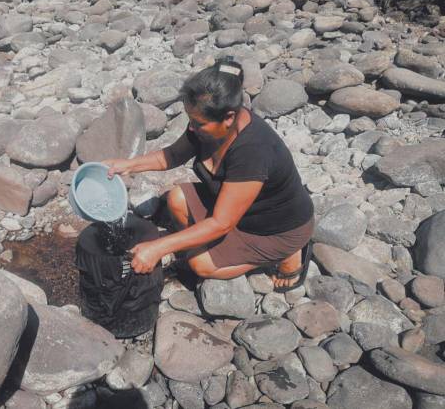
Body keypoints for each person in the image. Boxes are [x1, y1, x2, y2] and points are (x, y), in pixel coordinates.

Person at [103, 57, 315, 292]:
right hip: (237, 210)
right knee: (177, 198)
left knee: (199, 264)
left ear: (229, 117)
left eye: (198, 123)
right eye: (190, 120)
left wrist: (160, 247)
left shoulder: (253, 151)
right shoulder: (206, 124)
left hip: (276, 229)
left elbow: (222, 223)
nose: (191, 128)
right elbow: (172, 155)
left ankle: (287, 255)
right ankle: (207, 247)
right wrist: (128, 165)